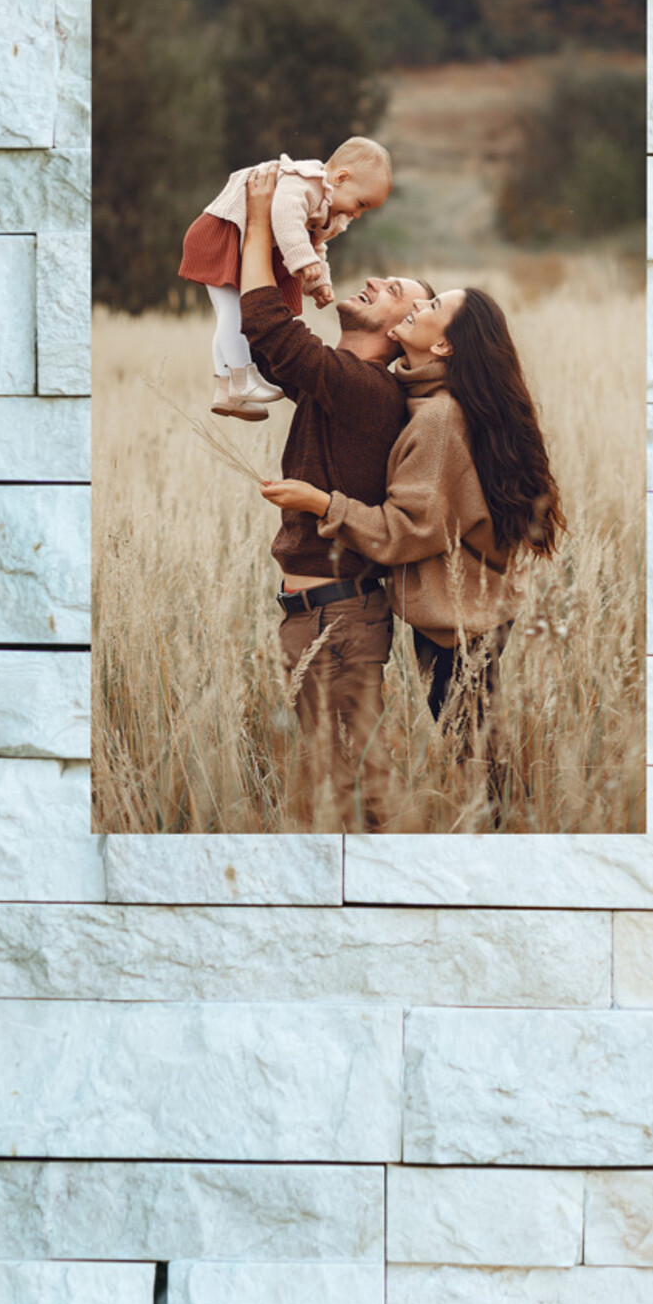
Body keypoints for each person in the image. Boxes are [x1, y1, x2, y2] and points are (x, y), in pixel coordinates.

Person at [261, 285, 563, 802]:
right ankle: (504, 826)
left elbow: (409, 530)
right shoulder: (422, 400)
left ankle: (507, 839)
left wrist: (321, 503)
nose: (416, 309)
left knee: (478, 759)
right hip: (462, 617)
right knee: (477, 750)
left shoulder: (439, 418)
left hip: (461, 626)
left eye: (430, 307)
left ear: (444, 347)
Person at [237, 160, 432, 829]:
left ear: (403, 328)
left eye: (393, 290)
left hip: (341, 619)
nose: (373, 279)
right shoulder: (343, 380)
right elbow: (273, 353)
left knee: (361, 793)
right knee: (329, 786)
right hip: (312, 613)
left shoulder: (369, 391)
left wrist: (262, 220)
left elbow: (271, 330)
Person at [178, 139, 393, 419]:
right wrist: (302, 260)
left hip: (245, 242)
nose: (357, 214)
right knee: (234, 312)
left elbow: (316, 245)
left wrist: (318, 282)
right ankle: (243, 378)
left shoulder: (332, 210)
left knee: (228, 313)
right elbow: (285, 217)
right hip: (225, 233)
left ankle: (226, 389)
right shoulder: (303, 182)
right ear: (341, 178)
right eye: (360, 203)